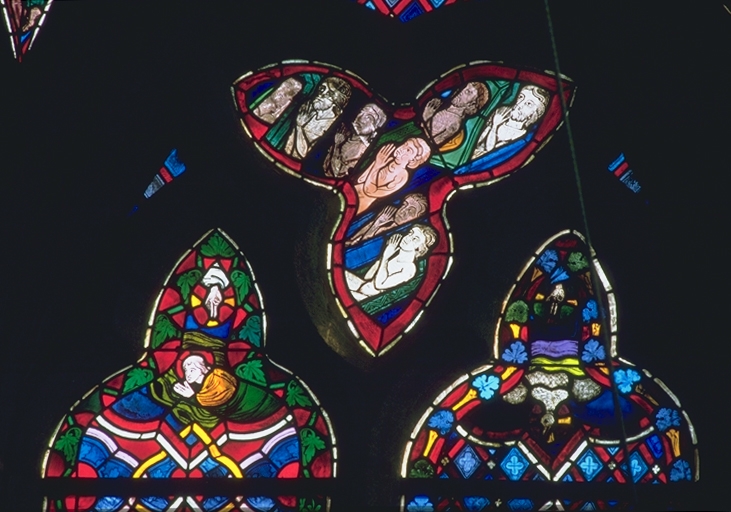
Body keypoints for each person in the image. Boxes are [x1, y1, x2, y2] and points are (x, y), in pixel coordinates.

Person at [345, 224, 437, 302]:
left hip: (367, 298)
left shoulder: (409, 268)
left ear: (420, 248)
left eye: (415, 239)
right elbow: (368, 277)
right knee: (339, 273)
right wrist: (383, 256)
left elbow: (379, 285)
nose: (408, 238)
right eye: (410, 233)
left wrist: (385, 257)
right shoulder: (394, 252)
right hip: (362, 286)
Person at [353, 137, 431, 215]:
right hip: (353, 190)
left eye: (408, 150)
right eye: (405, 144)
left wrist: (377, 165)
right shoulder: (387, 159)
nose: (402, 148)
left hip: (359, 204)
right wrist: (376, 163)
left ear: (413, 160)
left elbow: (370, 192)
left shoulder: (402, 177)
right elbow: (361, 179)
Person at [472, 84, 549, 158]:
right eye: (521, 97)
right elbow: (475, 140)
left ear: (534, 114)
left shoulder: (522, 138)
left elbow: (491, 152)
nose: (519, 104)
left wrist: (494, 126)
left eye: (528, 104)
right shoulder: (499, 115)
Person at [284, 77, 351, 159]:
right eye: (322, 89)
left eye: (328, 94)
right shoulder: (307, 108)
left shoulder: (332, 125)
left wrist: (299, 126)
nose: (320, 94)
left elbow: (302, 153)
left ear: (336, 102)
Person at [324, 103, 387, 178]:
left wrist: (337, 146)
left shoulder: (362, 151)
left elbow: (338, 175)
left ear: (375, 129)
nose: (360, 118)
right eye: (361, 112)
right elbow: (325, 166)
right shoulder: (345, 133)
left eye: (369, 118)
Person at [422, 81, 490, 147]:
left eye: (468, 92)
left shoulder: (454, 123)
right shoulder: (440, 106)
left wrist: (426, 116)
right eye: (464, 87)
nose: (461, 92)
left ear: (471, 104)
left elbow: (433, 141)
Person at [346, 193, 427, 247]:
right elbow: (370, 225)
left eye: (410, 211)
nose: (402, 211)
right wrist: (351, 240)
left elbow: (365, 244)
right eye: (404, 205)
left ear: (417, 218)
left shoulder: (403, 238)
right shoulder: (389, 217)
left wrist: (377, 224)